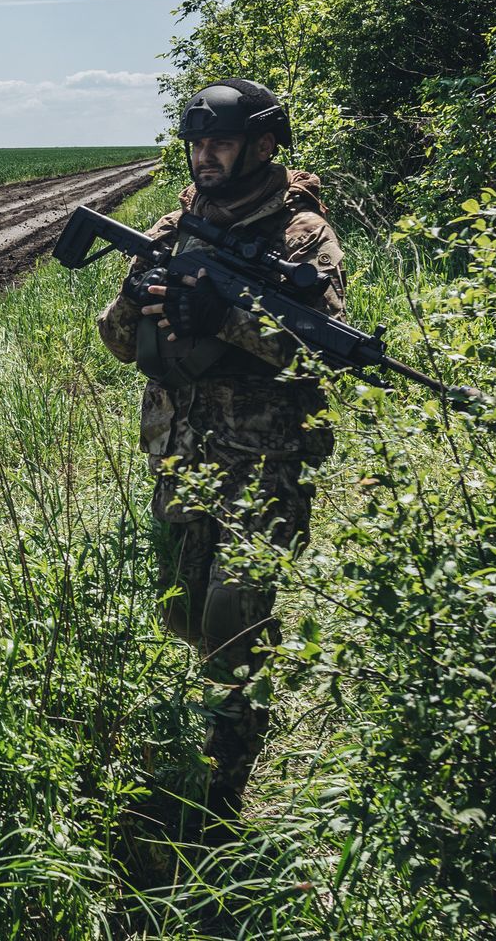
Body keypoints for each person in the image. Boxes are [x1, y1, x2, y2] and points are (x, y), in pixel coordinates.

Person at [96, 79, 344, 828]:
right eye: (198, 142)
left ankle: (221, 799)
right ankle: (219, 730)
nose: (206, 155)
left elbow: (320, 350)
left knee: (233, 623)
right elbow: (115, 342)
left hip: (263, 460)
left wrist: (227, 317)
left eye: (222, 142)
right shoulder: (175, 226)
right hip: (179, 453)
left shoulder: (300, 237)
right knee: (182, 611)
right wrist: (135, 300)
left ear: (264, 147)